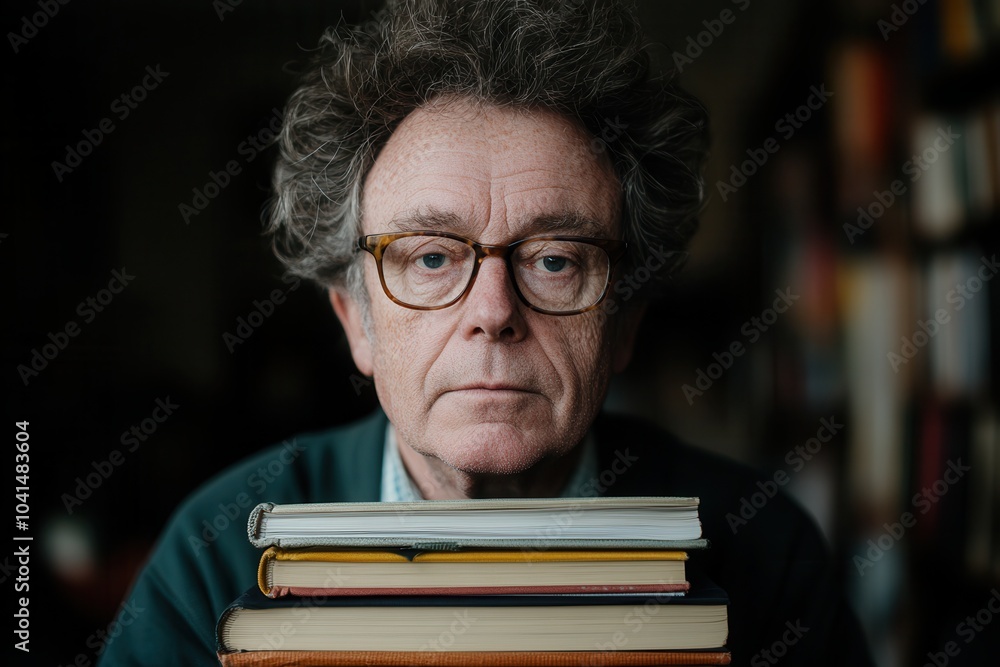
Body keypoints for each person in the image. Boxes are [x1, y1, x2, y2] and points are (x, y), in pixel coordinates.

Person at [99, 1, 873, 664]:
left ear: (625, 325)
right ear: (355, 322)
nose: (494, 311)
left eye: (556, 260)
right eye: (431, 256)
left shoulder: (767, 553)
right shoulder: (213, 557)